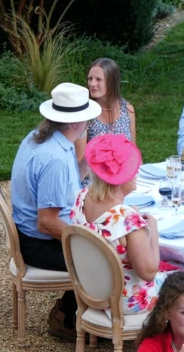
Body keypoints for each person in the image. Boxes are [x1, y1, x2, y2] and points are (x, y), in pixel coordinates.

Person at [10, 83, 103, 340]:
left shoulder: (39, 138)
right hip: (39, 243)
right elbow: (48, 223)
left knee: (101, 242)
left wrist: (94, 160)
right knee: (108, 258)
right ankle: (67, 318)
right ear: (77, 121)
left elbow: (69, 178)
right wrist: (92, 240)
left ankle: (71, 310)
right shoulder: (55, 160)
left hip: (28, 234)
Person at [69, 134, 165, 314]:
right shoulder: (127, 220)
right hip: (126, 301)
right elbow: (149, 272)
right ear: (121, 178)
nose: (137, 171)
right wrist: (152, 229)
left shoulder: (80, 197)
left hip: (91, 290)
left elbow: (109, 222)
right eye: (132, 168)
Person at [76, 58, 137, 174]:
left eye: (98, 79)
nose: (92, 84)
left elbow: (134, 152)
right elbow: (80, 165)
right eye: (90, 79)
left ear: (111, 82)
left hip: (123, 177)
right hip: (94, 181)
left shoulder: (127, 109)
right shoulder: (85, 114)